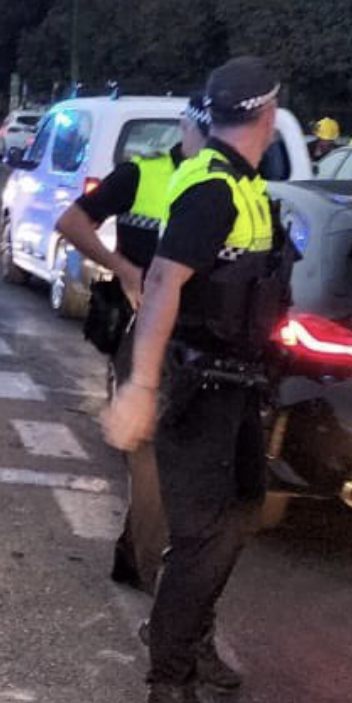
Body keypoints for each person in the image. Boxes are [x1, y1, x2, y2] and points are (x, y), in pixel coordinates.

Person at [102, 57, 295, 703]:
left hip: (239, 382)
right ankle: (169, 690)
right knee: (204, 535)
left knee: (244, 512)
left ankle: (192, 635)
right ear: (267, 115)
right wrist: (140, 387)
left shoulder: (244, 185)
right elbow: (161, 285)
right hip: (200, 385)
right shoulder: (211, 187)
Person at [53, 96, 211, 592]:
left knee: (170, 458)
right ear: (185, 127)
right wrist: (122, 268)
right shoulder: (142, 175)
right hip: (148, 336)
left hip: (209, 342)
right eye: (200, 128)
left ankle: (133, 557)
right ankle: (152, 576)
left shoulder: (233, 185)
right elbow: (72, 220)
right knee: (152, 458)